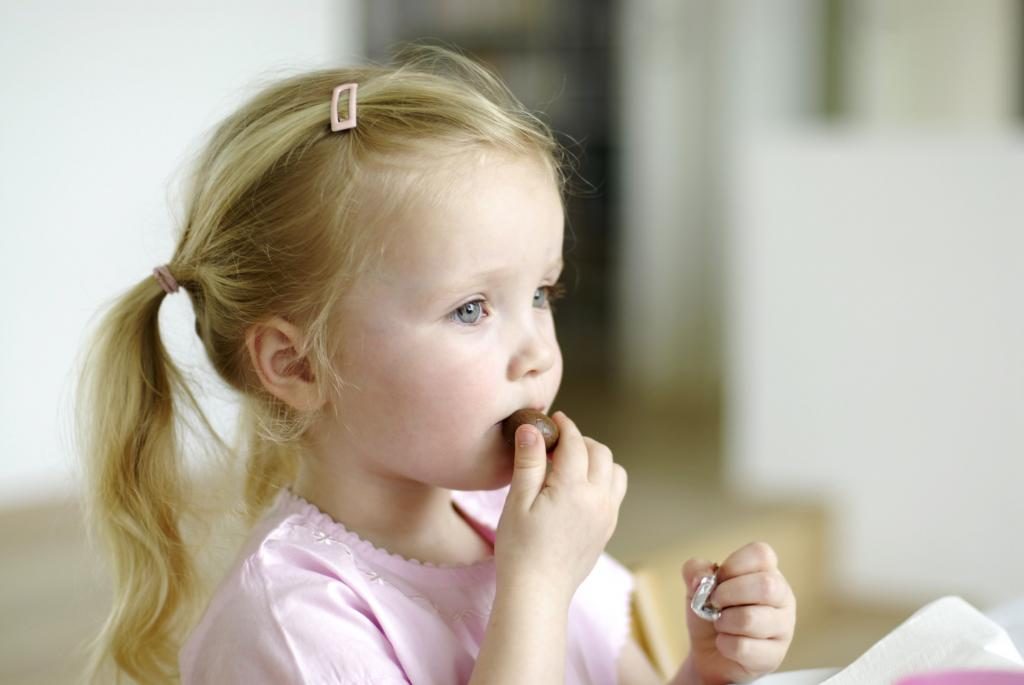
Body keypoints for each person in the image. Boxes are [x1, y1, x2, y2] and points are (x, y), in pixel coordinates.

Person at [75, 45, 796, 685]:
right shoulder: (294, 626)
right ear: (298, 364)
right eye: (472, 308)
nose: (538, 351)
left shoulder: (511, 524)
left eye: (541, 292)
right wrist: (536, 589)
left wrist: (708, 669)